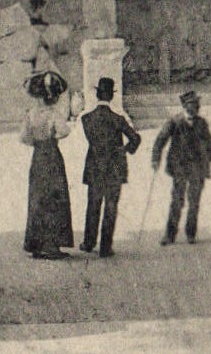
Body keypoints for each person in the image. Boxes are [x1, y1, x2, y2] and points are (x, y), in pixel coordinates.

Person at [79, 77, 141, 257]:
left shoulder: (86, 119)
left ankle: (89, 243)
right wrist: (125, 150)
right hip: (115, 167)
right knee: (111, 206)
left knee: (93, 204)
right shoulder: (118, 119)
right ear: (111, 96)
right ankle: (106, 247)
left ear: (97, 95)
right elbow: (136, 139)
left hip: (95, 166)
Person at [20, 70, 74, 260]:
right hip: (52, 155)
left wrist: (38, 140)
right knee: (54, 197)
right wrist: (50, 137)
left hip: (37, 156)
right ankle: (52, 246)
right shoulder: (53, 114)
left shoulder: (31, 114)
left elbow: (24, 138)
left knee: (37, 197)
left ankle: (36, 244)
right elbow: (64, 131)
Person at [151, 87, 211, 245]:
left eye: (197, 105)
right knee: (177, 201)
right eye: (192, 105)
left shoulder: (202, 123)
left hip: (197, 169)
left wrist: (207, 160)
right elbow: (160, 140)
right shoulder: (174, 121)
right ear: (185, 106)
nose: (195, 108)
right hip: (179, 168)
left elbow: (209, 143)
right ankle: (170, 234)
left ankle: (191, 233)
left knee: (194, 201)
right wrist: (155, 159)